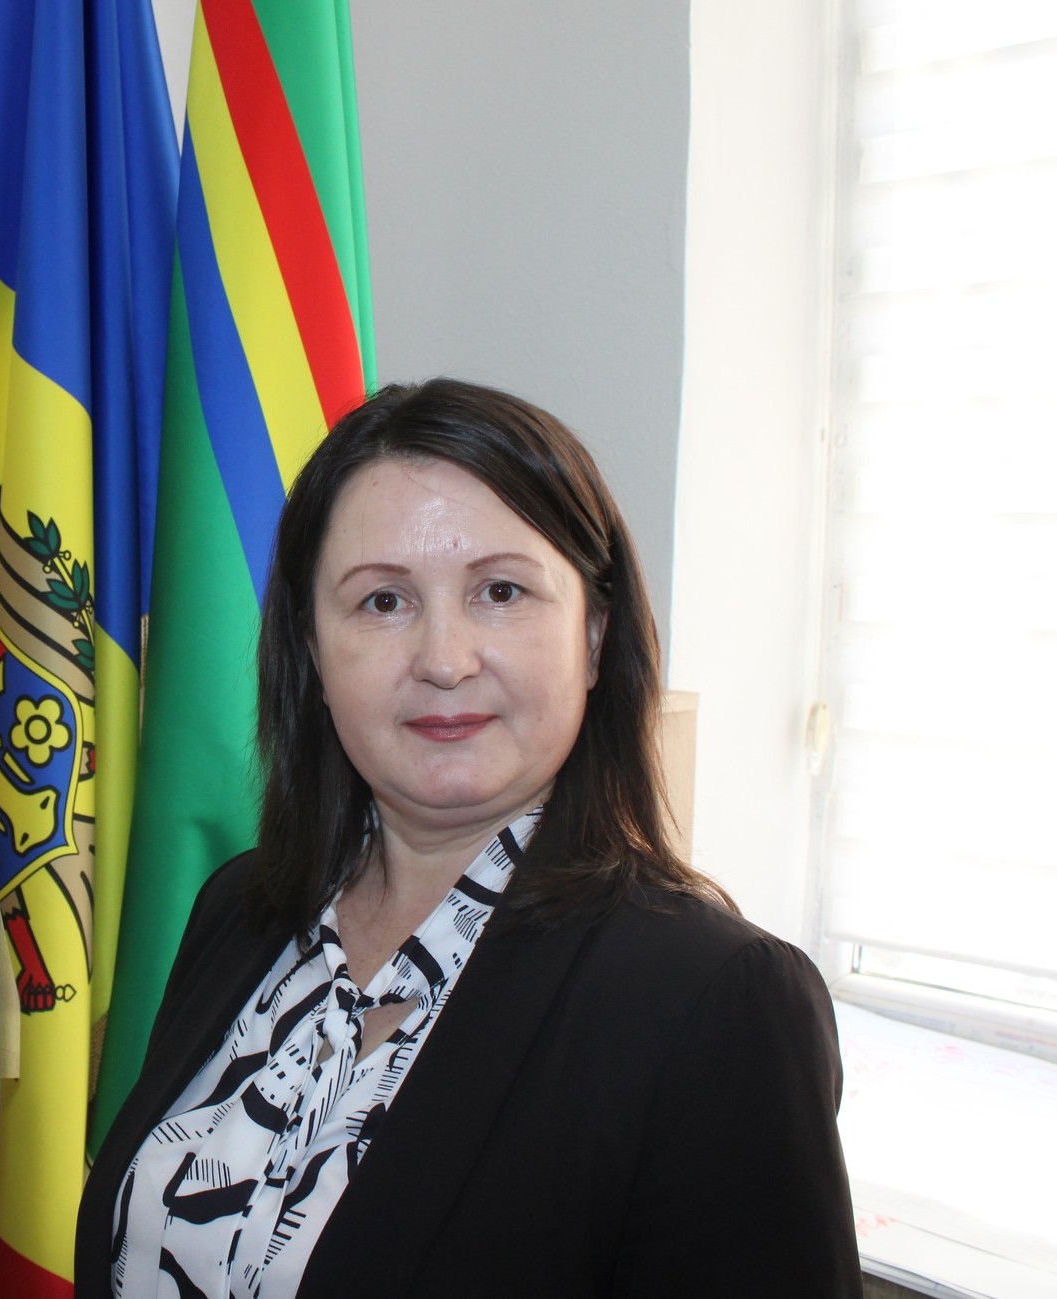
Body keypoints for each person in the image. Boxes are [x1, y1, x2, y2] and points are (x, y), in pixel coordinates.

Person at [76, 379, 861, 1297]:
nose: (444, 660)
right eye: (382, 601)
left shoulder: (719, 1003)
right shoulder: (241, 909)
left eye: (501, 591)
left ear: (595, 635)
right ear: (312, 649)